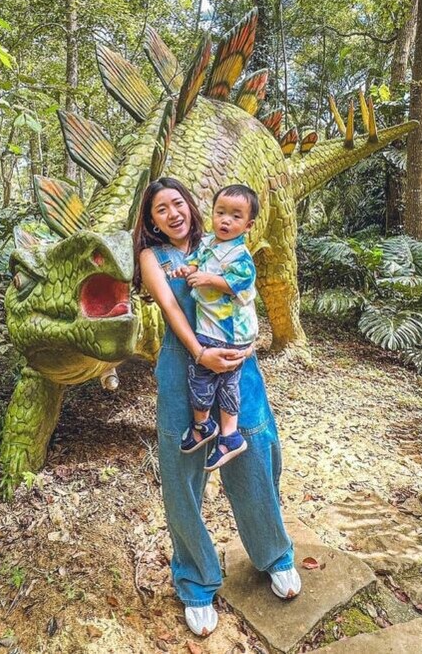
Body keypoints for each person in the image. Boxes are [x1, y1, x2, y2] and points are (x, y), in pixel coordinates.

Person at [133, 177, 300, 638]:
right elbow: (172, 310)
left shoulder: (220, 242)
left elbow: (245, 292)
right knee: (183, 474)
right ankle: (196, 580)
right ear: (152, 220)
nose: (172, 213)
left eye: (177, 203)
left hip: (236, 363)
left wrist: (243, 343)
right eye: (160, 209)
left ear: (191, 206)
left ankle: (274, 554)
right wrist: (199, 353)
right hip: (182, 365)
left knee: (255, 454)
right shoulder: (153, 258)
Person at [171, 184, 260, 471]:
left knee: (221, 380)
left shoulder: (240, 256)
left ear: (248, 225)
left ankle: (224, 432)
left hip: (229, 331)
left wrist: (208, 279)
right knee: (205, 377)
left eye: (235, 216)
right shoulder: (208, 242)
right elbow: (196, 262)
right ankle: (209, 428)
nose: (225, 220)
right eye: (220, 212)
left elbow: (238, 284)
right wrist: (187, 270)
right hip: (210, 329)